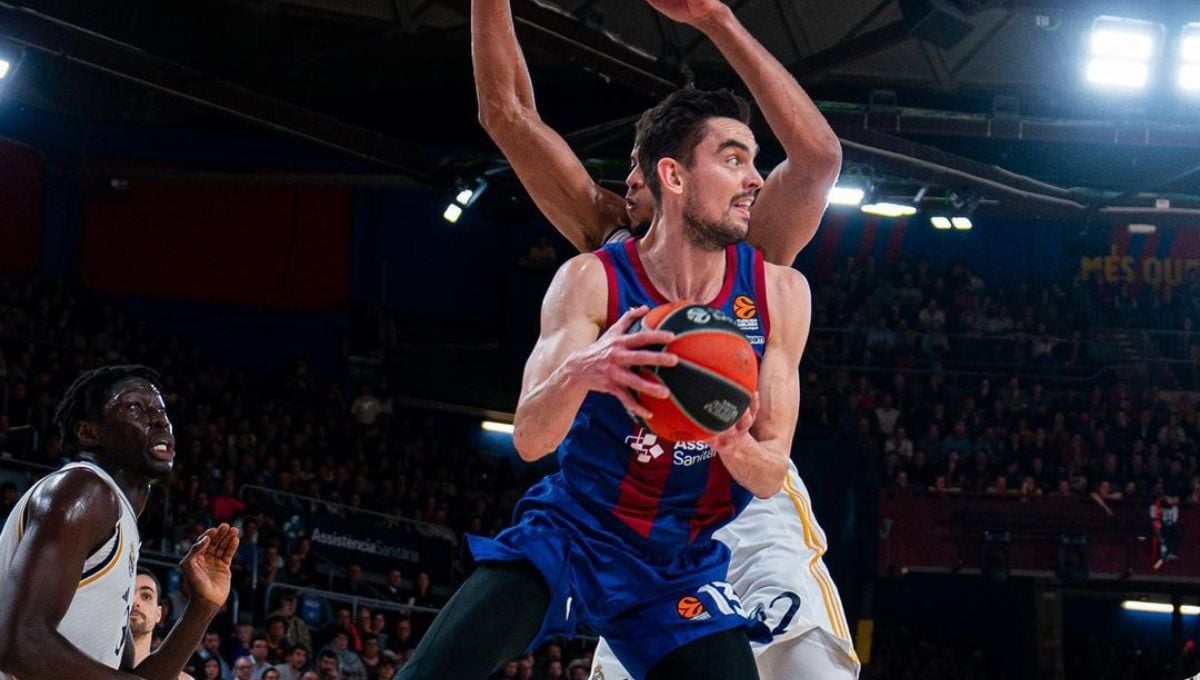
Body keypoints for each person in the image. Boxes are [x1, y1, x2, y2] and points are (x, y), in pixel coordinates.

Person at [472, 0, 858, 677]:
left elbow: (819, 158)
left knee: (806, 668)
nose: (630, 182)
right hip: (636, 522)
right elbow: (508, 114)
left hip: (746, 504)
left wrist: (717, 20)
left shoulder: (755, 250)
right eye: (628, 171)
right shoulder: (606, 249)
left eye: (640, 167)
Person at [400, 86, 809, 679]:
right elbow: (530, 439)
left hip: (678, 565)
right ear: (673, 175)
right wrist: (581, 371)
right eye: (732, 159)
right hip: (575, 533)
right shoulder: (590, 280)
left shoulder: (780, 293)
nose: (755, 180)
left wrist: (728, 437)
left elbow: (770, 474)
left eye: (753, 162)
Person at [0, 365, 240, 680]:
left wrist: (203, 607)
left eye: (161, 411)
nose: (159, 420)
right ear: (89, 433)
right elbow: (19, 644)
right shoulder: (83, 490)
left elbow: (130, 675)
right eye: (135, 408)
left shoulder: (117, 520)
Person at [129, 570, 195, 680]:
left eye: (146, 596)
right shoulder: (97, 668)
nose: (135, 602)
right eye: (128, 593)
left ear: (158, 613)